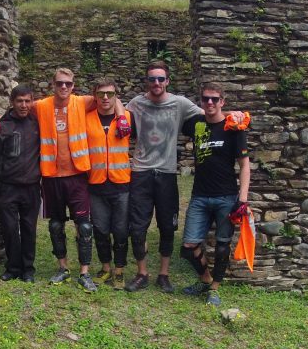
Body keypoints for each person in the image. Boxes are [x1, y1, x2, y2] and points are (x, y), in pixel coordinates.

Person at [32, 68, 129, 293]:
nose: (63, 87)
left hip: (77, 175)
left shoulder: (82, 102)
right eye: (59, 83)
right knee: (56, 225)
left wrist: (122, 116)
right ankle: (62, 268)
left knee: (84, 226)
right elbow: (20, 107)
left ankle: (84, 273)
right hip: (51, 175)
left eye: (67, 83)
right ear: (52, 85)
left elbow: (112, 98)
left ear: (73, 85)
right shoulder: (41, 106)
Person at [122, 60, 202, 293]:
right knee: (137, 227)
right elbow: (118, 113)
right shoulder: (136, 103)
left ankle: (164, 275)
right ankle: (142, 273)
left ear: (167, 81)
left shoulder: (180, 104)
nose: (156, 83)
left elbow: (209, 113)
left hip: (167, 174)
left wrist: (233, 115)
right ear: (146, 81)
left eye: (160, 79)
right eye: (151, 79)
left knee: (167, 227)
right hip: (141, 172)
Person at [179, 83, 251, 307]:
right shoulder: (195, 124)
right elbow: (181, 117)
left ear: (222, 101)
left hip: (226, 196)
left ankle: (215, 290)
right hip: (200, 195)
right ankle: (206, 280)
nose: (209, 102)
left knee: (222, 246)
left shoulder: (234, 127)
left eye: (214, 99)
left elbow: (245, 166)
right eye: (205, 98)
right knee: (188, 247)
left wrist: (243, 199)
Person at [0, 85, 41, 282]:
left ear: (32, 101)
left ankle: (28, 270)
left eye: (27, 101)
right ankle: (13, 267)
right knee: (9, 229)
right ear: (12, 102)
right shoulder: (2, 126)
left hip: (32, 187)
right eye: (19, 101)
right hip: (7, 187)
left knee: (29, 228)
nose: (24, 105)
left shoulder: (38, 123)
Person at [85, 78, 132, 290]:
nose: (105, 97)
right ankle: (105, 268)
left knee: (121, 231)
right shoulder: (86, 119)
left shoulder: (128, 118)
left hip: (121, 183)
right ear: (94, 96)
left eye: (110, 94)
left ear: (116, 96)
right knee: (101, 230)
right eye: (101, 93)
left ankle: (119, 271)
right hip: (95, 185)